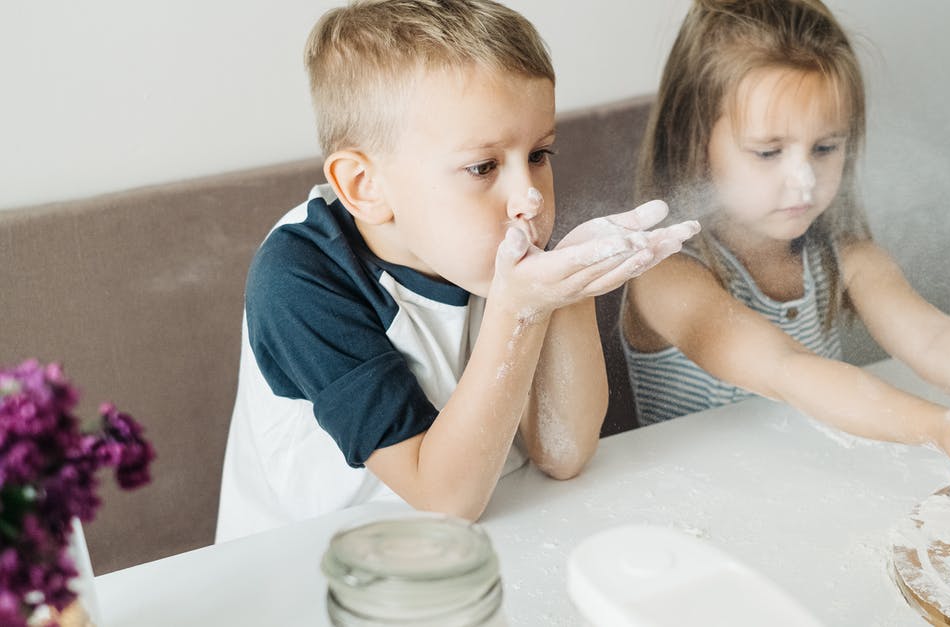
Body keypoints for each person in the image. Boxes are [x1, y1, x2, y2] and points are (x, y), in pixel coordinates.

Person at [216, 0, 700, 541]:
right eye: (483, 167)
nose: (529, 200)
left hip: (482, 543)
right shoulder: (301, 281)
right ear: (364, 187)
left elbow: (562, 453)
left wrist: (571, 292)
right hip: (310, 573)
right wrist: (521, 309)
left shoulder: (495, 248)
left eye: (540, 155)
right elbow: (444, 499)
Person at [621, 0, 950, 489]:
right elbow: (787, 369)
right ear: (693, 140)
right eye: (768, 151)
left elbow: (937, 339)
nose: (803, 180)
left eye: (825, 148)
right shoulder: (666, 274)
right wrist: (935, 425)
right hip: (694, 526)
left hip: (807, 495)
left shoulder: (845, 257)